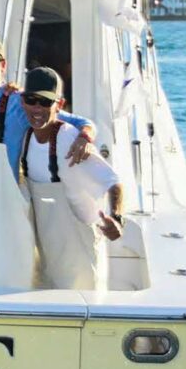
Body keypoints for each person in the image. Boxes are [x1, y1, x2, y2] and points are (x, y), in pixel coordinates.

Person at [0, 33, 97, 289]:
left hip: (2, 211)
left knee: (6, 287)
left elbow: (79, 122)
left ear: (2, 65)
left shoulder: (20, 101)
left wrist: (86, 136)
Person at [20, 67, 124, 290]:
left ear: (59, 105)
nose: (37, 108)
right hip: (46, 249)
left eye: (46, 102)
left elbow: (112, 180)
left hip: (78, 252)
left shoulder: (69, 138)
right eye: (31, 100)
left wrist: (116, 217)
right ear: (23, 102)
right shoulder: (25, 137)